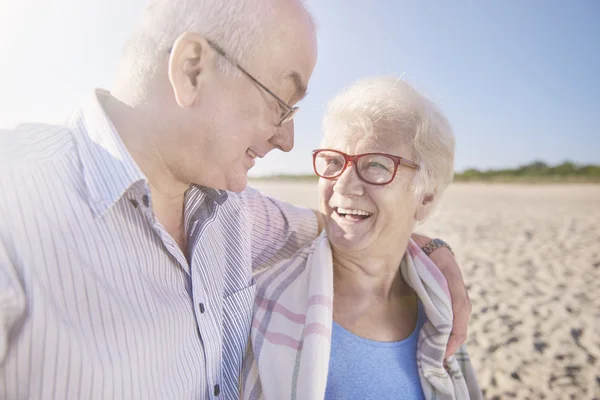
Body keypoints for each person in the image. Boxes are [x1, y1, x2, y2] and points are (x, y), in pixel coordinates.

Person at [0, 1, 470, 399]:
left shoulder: (233, 213)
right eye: (282, 102)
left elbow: (341, 224)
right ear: (192, 70)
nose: (287, 140)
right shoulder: (15, 201)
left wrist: (430, 248)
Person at [242, 77, 481, 400]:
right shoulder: (266, 305)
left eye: (376, 165)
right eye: (334, 162)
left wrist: (437, 249)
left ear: (425, 197)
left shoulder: (437, 304)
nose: (342, 185)